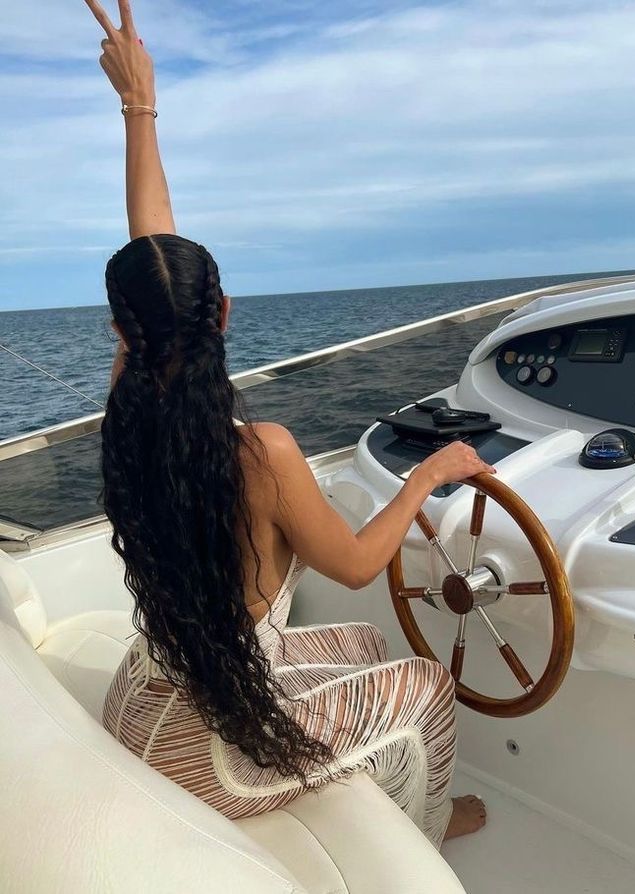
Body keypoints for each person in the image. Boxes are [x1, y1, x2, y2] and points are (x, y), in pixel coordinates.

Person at [84, 0, 490, 847]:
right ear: (224, 313)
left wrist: (139, 106)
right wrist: (427, 477)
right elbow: (351, 563)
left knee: (368, 639)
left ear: (125, 332)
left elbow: (152, 251)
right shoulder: (260, 453)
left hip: (142, 700)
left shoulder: (127, 418)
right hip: (208, 756)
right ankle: (437, 822)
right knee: (423, 682)